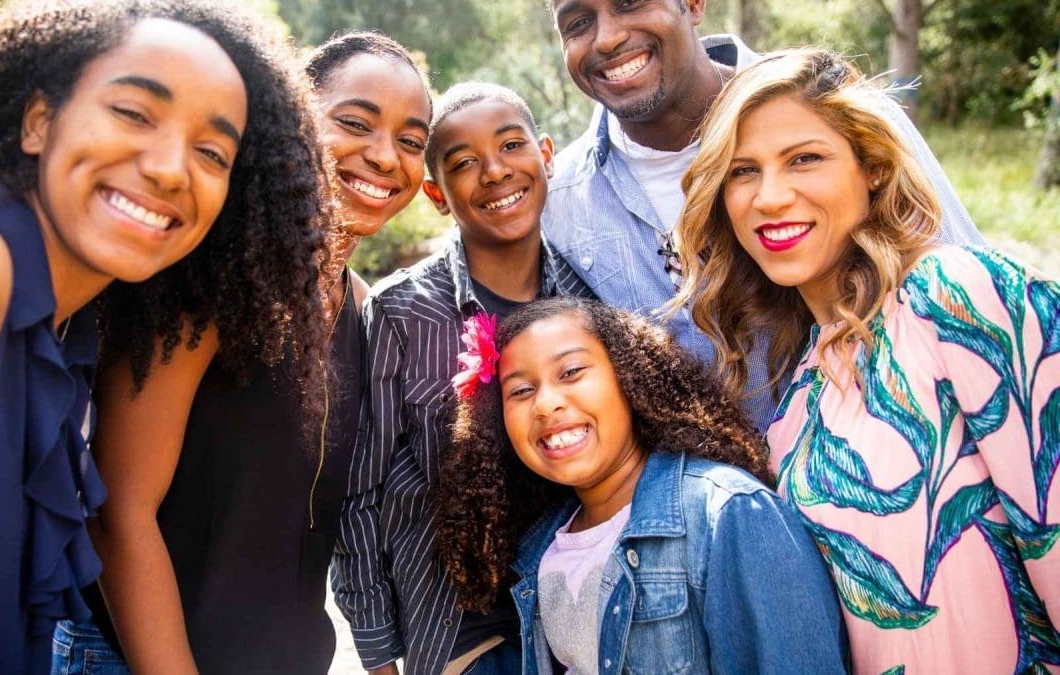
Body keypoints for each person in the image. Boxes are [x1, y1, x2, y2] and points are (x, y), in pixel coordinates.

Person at [0, 0, 330, 672]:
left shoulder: (71, 337)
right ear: (39, 121)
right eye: (134, 112)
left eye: (211, 151)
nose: (171, 168)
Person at [673, 48, 1060, 673]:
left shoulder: (957, 295)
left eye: (805, 159)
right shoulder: (797, 396)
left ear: (872, 167)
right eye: (743, 171)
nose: (770, 197)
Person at [57, 32, 431, 674]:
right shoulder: (209, 284)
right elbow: (119, 509)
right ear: (293, 121)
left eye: (412, 140)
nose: (384, 156)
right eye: (354, 123)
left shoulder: (363, 308)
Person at [540, 0, 984, 427]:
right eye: (577, 23)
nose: (606, 38)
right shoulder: (561, 202)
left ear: (693, 4)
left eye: (630, 2)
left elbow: (972, 314)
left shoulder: (839, 112)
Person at [332, 83, 595, 675]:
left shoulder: (586, 301)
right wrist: (377, 653)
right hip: (459, 633)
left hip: (583, 619)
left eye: (510, 146)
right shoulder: (402, 314)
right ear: (436, 194)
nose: (495, 172)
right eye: (464, 163)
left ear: (545, 155)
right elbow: (360, 490)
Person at [435, 297, 847, 674]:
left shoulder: (728, 514)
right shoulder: (543, 550)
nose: (546, 403)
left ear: (629, 377)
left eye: (572, 372)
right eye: (521, 391)